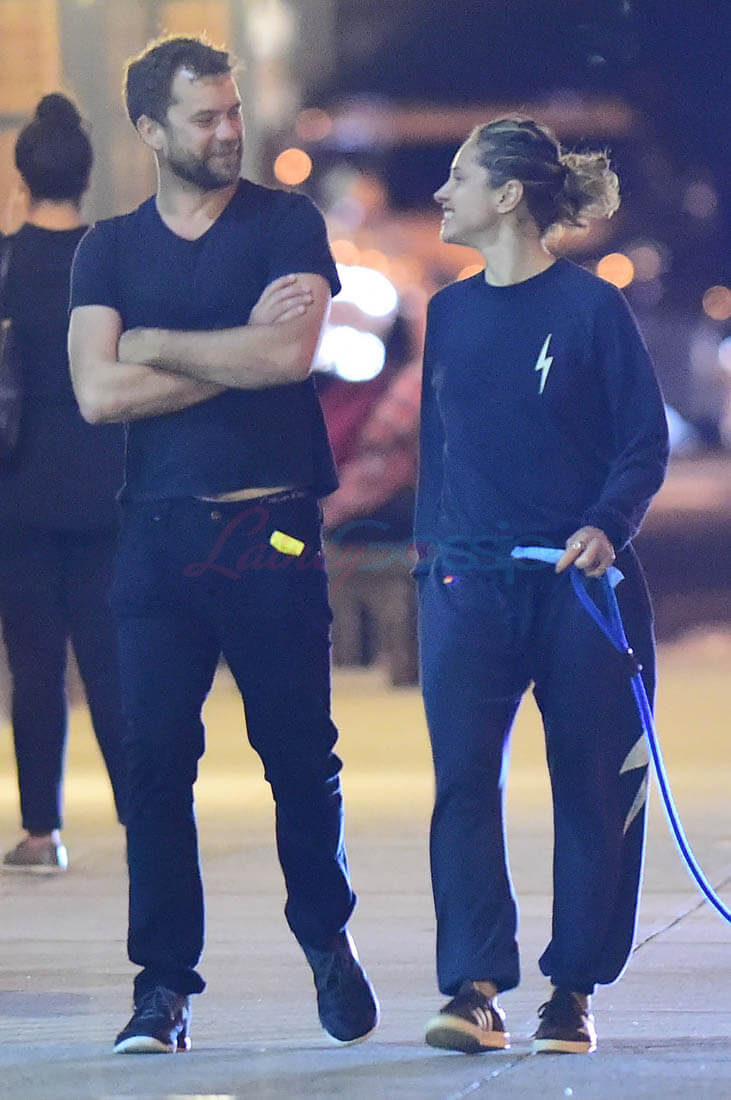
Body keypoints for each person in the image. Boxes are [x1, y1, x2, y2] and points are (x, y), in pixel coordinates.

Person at [68, 35, 378, 1054]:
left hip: (269, 526)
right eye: (204, 117)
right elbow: (95, 390)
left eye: (232, 111)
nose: (228, 131)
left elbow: (289, 354)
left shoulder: (286, 224)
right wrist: (231, 354)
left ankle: (324, 933)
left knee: (298, 754)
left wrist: (156, 343)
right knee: (154, 764)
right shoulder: (109, 249)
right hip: (156, 534)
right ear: (150, 131)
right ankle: (162, 984)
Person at [414, 118, 669, 1056]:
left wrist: (605, 526)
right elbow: (437, 454)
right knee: (461, 785)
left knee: (592, 789)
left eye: (457, 177)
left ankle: (572, 990)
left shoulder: (592, 309)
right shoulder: (448, 312)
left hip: (579, 589)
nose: (441, 194)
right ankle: (472, 988)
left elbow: (643, 441)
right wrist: (429, 565)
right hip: (466, 587)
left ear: (507, 195)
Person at [0, 94, 127, 874]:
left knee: (35, 667)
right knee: (113, 662)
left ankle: (41, 832)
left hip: (16, 489)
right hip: (106, 485)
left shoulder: (5, 262)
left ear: (21, 179)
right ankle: (143, 815)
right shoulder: (111, 258)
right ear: (86, 178)